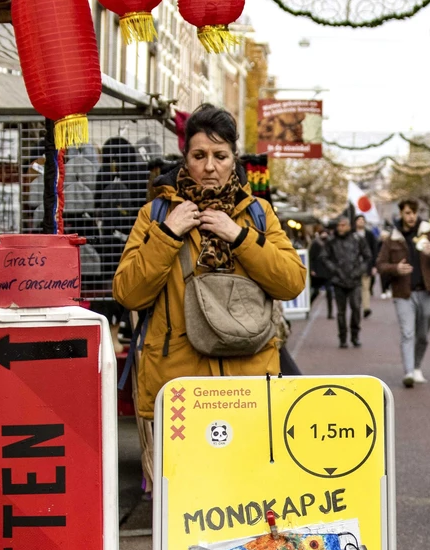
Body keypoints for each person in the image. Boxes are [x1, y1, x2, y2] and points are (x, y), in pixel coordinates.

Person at [113, 105, 306, 476]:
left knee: (247, 492)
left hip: (249, 384)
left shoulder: (257, 213)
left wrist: (240, 237)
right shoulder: (155, 214)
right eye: (199, 155)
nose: (210, 166)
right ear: (185, 159)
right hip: (182, 388)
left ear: (234, 160)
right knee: (186, 496)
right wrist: (168, 234)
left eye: (220, 156)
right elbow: (128, 293)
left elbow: (291, 281)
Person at [377, 200, 430, 387]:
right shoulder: (393, 237)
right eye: (407, 213)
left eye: (414, 213)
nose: (411, 217)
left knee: (423, 334)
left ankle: (417, 367)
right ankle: (408, 372)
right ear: (401, 213)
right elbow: (380, 264)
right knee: (407, 332)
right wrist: (395, 268)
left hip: (427, 290)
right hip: (403, 293)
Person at [312, 213, 373, 348]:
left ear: (349, 226)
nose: (341, 228)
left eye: (343, 225)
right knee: (341, 311)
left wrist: (360, 270)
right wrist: (334, 269)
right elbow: (324, 257)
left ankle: (355, 335)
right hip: (338, 280)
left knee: (356, 308)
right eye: (339, 225)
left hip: (355, 279)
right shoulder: (332, 241)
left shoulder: (358, 239)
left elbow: (368, 256)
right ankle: (343, 337)